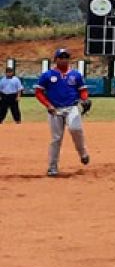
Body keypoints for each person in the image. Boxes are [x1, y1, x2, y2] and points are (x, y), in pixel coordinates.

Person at [34, 48, 91, 176]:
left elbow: (82, 90)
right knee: (56, 138)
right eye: (61, 57)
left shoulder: (76, 74)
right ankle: (52, 167)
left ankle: (83, 153)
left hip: (72, 107)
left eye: (66, 57)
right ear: (56, 59)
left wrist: (84, 98)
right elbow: (38, 92)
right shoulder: (47, 75)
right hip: (54, 109)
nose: (64, 59)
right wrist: (48, 105)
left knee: (76, 129)